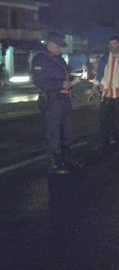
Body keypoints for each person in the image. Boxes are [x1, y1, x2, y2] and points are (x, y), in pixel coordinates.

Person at [32, 32, 82, 174]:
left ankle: (66, 157)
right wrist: (62, 84)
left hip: (64, 99)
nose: (61, 49)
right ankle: (53, 162)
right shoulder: (40, 59)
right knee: (52, 130)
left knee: (67, 129)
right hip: (52, 99)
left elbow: (66, 74)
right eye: (59, 46)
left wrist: (73, 79)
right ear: (51, 44)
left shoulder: (59, 59)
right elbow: (39, 81)